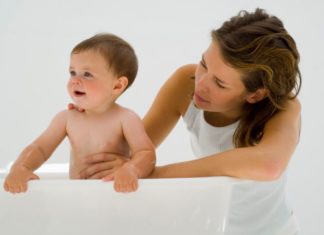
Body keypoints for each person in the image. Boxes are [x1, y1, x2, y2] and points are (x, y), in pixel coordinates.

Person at [73, 9, 302, 234]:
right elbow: (126, 152)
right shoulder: (186, 81)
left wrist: (155, 175)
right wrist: (94, 113)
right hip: (214, 226)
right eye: (204, 64)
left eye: (220, 83)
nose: (200, 84)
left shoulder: (283, 108)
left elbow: (269, 165)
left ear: (255, 95)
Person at [3, 33, 156, 194]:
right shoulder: (67, 118)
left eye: (87, 74)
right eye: (72, 72)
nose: (75, 80)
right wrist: (21, 167)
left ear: (117, 86)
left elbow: (146, 154)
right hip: (78, 197)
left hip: (116, 196)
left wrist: (131, 169)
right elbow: (40, 148)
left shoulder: (126, 119)